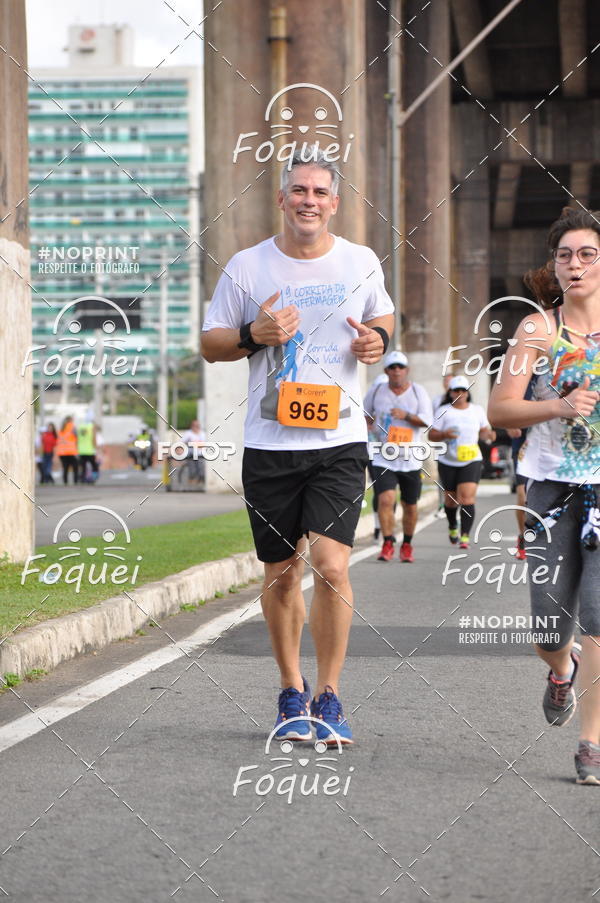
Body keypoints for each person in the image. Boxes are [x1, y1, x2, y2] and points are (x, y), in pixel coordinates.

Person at [201, 147, 394, 745]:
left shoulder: (360, 261)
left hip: (340, 440)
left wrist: (377, 342)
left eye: (320, 192)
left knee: (332, 566)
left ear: (335, 203)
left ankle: (329, 696)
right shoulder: (247, 266)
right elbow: (210, 344)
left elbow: (384, 319)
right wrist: (251, 334)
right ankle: (291, 690)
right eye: (299, 191)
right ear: (282, 199)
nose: (309, 201)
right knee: (282, 574)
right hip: (270, 444)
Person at [489, 206, 600, 785]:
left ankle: (591, 742)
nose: (575, 265)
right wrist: (557, 405)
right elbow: (500, 410)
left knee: (598, 617)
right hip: (552, 488)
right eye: (565, 256)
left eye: (587, 254)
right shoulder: (537, 331)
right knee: (550, 629)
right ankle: (562, 669)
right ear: (553, 266)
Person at [364, 351, 432, 562]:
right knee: (385, 499)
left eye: (400, 367)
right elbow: (364, 414)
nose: (396, 371)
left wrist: (407, 416)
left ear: (406, 370)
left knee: (410, 505)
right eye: (392, 367)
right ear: (386, 371)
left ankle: (407, 544)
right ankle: (387, 542)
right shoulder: (377, 391)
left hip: (410, 458)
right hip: (383, 456)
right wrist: (371, 426)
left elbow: (428, 421)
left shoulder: (418, 392)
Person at [429, 375, 495, 549]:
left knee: (466, 498)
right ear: (450, 393)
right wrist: (444, 434)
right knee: (451, 501)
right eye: (456, 390)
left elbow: (484, 431)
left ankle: (465, 536)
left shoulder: (477, 410)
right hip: (448, 461)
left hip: (471, 459)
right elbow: (431, 435)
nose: (460, 393)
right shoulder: (443, 410)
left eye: (463, 390)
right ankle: (452, 526)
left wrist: (489, 434)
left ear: (467, 392)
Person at [180, 418, 207, 486]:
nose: (196, 427)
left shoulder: (203, 434)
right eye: (194, 425)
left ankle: (200, 482)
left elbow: (204, 444)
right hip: (191, 455)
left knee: (201, 471)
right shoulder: (188, 433)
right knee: (192, 471)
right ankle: (192, 483)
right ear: (192, 426)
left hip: (201, 455)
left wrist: (196, 444)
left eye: (198, 425)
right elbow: (182, 443)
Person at [55, 416, 79, 485]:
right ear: (70, 420)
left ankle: (65, 482)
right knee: (75, 467)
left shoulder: (61, 428)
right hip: (71, 451)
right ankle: (75, 481)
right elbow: (77, 437)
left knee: (65, 467)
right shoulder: (72, 427)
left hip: (62, 452)